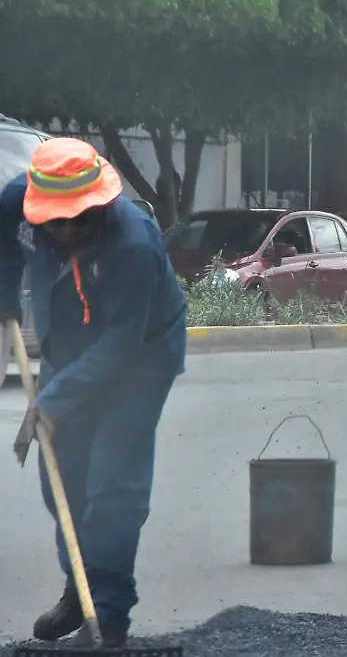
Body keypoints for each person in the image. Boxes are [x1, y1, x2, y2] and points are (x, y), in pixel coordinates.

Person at [0, 137, 188, 648]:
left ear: (99, 203)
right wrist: (4, 294)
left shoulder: (134, 243)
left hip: (139, 358)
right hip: (68, 345)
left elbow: (120, 347)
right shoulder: (19, 196)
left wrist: (53, 401)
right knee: (63, 477)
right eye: (52, 220)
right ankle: (79, 591)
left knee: (113, 487)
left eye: (76, 220)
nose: (64, 230)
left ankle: (107, 615)